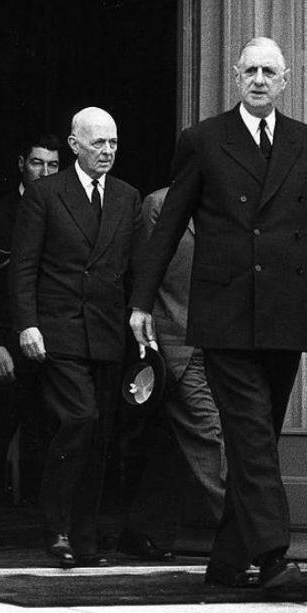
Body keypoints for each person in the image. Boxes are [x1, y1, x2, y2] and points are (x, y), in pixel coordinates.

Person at [129, 37, 307, 591]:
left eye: (269, 70)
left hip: (282, 313)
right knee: (249, 435)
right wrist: (140, 304)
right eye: (249, 69)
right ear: (234, 75)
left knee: (259, 439)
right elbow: (169, 224)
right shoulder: (203, 140)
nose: (258, 78)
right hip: (223, 315)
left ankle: (226, 561)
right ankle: (273, 555)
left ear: (286, 78)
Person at [10, 107, 144, 568]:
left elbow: (136, 270)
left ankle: (84, 538)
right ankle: (58, 528)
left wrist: (141, 322)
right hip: (59, 331)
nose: (106, 152)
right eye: (97, 144)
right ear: (73, 145)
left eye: (112, 144)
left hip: (107, 333)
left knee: (100, 434)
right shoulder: (46, 195)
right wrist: (27, 323)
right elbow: (24, 266)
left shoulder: (128, 197)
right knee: (80, 419)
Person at [115, 187, 228, 561]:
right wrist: (152, 342)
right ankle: (248, 540)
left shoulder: (230, 203)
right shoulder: (159, 205)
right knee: (210, 435)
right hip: (173, 342)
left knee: (173, 444)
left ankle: (141, 529)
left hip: (219, 343)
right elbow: (143, 274)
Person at [0, 134, 60, 546]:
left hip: (53, 345)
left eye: (53, 165)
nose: (44, 172)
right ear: (22, 164)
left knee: (54, 435)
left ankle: (54, 528)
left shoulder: (67, 209)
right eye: (37, 163)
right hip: (5, 345)